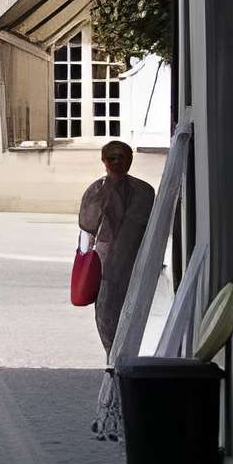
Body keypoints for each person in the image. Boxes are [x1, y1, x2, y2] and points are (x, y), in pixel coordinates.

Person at [77, 139, 155, 355]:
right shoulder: (97, 190)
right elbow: (87, 228)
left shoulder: (143, 191)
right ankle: (112, 354)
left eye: (122, 157)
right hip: (105, 261)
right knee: (105, 310)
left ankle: (126, 354)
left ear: (130, 159)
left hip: (134, 258)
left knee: (131, 309)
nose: (117, 162)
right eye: (112, 157)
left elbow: (140, 225)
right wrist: (85, 260)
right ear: (104, 161)